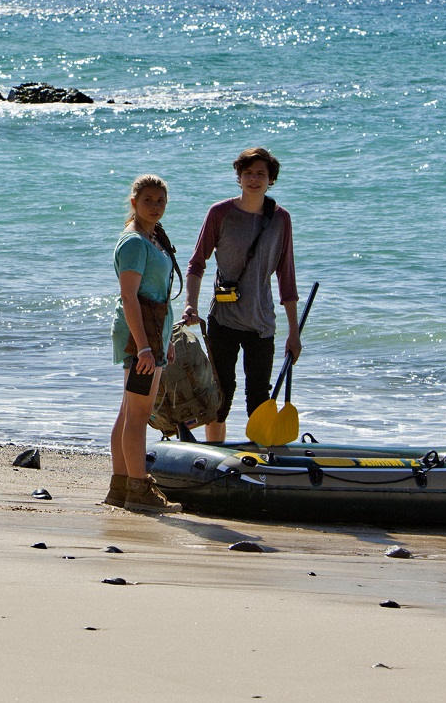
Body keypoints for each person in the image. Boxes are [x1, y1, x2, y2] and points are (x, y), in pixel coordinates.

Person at [181, 147, 300, 444]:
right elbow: (197, 263)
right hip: (223, 319)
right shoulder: (220, 213)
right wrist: (190, 305)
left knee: (259, 397)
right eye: (248, 173)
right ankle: (212, 456)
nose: (254, 179)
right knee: (219, 397)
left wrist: (294, 333)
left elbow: (287, 277)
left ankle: (259, 460)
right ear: (239, 177)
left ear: (271, 179)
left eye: (261, 174)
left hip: (261, 323)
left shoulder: (280, 219)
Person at [104, 173, 179, 512]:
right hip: (140, 338)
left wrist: (166, 339)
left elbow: (158, 295)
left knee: (128, 411)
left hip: (152, 333)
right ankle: (139, 489)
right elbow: (129, 297)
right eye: (148, 200)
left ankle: (120, 488)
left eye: (160, 201)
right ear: (134, 203)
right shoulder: (134, 241)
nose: (155, 206)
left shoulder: (153, 237)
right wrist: (145, 347)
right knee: (139, 413)